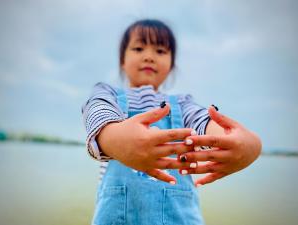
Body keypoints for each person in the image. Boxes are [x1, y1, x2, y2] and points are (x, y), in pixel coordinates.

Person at [82, 19, 261, 225]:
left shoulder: (183, 104)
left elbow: (204, 123)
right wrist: (114, 138)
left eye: (160, 51)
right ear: (122, 60)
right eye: (139, 48)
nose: (149, 57)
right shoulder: (108, 93)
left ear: (171, 64)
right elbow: (97, 112)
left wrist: (243, 144)